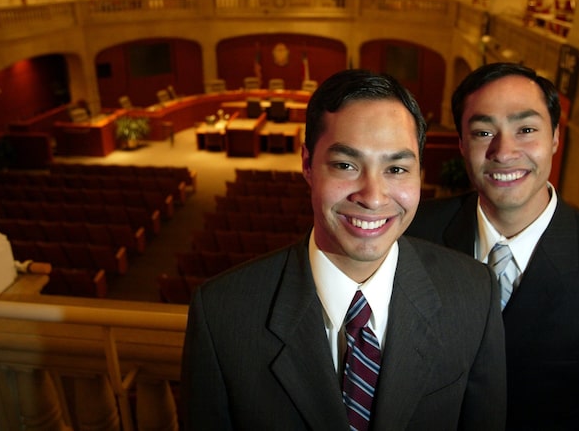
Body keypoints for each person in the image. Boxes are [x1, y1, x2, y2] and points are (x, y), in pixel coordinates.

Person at [181, 69, 507, 430]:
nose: (372, 196)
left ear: (418, 173)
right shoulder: (222, 315)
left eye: (396, 168)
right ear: (307, 164)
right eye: (346, 165)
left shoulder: (474, 292)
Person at [407, 62, 579, 430]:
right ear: (462, 145)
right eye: (483, 132)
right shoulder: (410, 236)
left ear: (555, 138)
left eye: (526, 129)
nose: (504, 151)